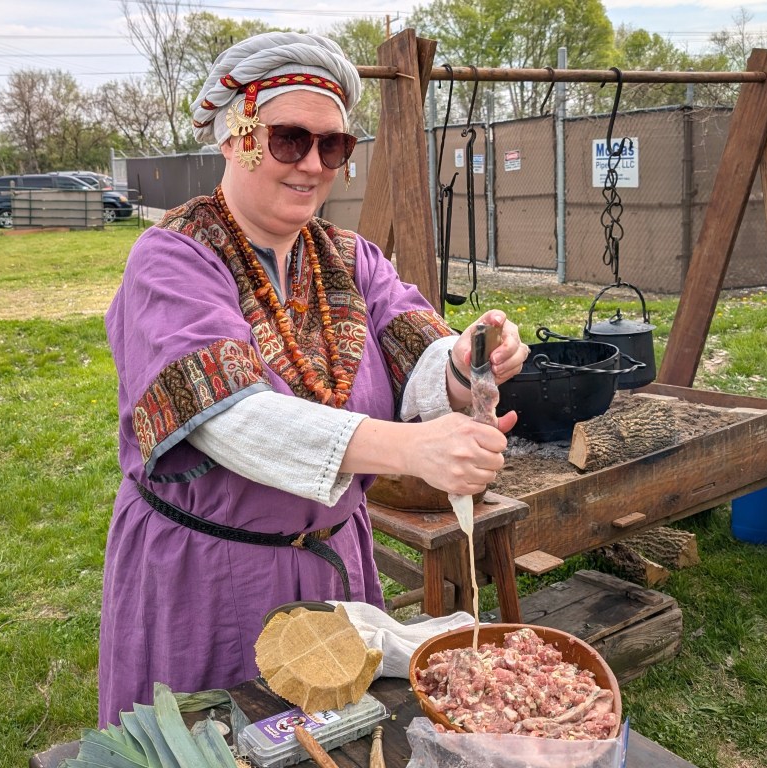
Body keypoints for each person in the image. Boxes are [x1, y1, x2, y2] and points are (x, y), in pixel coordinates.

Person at [98, 31, 530, 727]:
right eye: (289, 140)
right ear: (235, 138)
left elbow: (414, 349)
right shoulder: (172, 259)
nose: (312, 165)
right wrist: (411, 450)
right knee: (216, 741)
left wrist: (462, 362)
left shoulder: (348, 258)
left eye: (333, 146)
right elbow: (228, 418)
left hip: (333, 564)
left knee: (337, 740)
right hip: (211, 578)